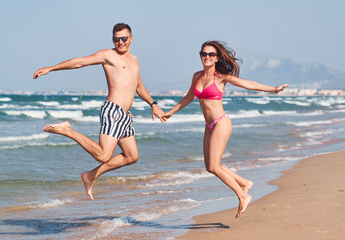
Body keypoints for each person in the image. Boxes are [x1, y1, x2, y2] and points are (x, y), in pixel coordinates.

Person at [33, 23, 165, 200]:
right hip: (113, 111)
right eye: (117, 39)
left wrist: (153, 103)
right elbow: (79, 62)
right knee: (103, 155)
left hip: (124, 115)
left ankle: (90, 176)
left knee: (132, 156)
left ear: (131, 39)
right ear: (113, 40)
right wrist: (51, 68)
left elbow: (138, 85)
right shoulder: (108, 55)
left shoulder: (134, 60)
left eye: (124, 38)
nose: (120, 42)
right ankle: (67, 130)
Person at [161, 41, 289, 218]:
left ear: (217, 58)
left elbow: (248, 84)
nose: (207, 57)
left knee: (214, 166)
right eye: (204, 54)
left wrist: (274, 89)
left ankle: (243, 195)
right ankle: (245, 182)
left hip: (221, 122)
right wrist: (170, 112)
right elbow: (189, 97)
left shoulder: (221, 76)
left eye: (211, 54)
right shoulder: (196, 76)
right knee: (210, 167)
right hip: (209, 125)